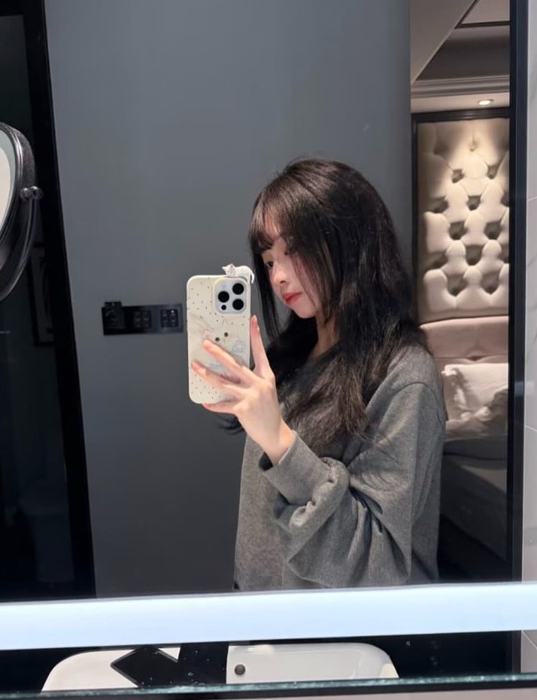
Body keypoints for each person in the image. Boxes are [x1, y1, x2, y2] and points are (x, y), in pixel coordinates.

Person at [190, 158, 445, 590]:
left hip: (335, 630)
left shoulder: (405, 378)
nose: (278, 276)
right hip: (267, 615)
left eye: (293, 250)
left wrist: (280, 442)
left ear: (349, 238)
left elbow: (378, 564)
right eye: (269, 261)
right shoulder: (292, 359)